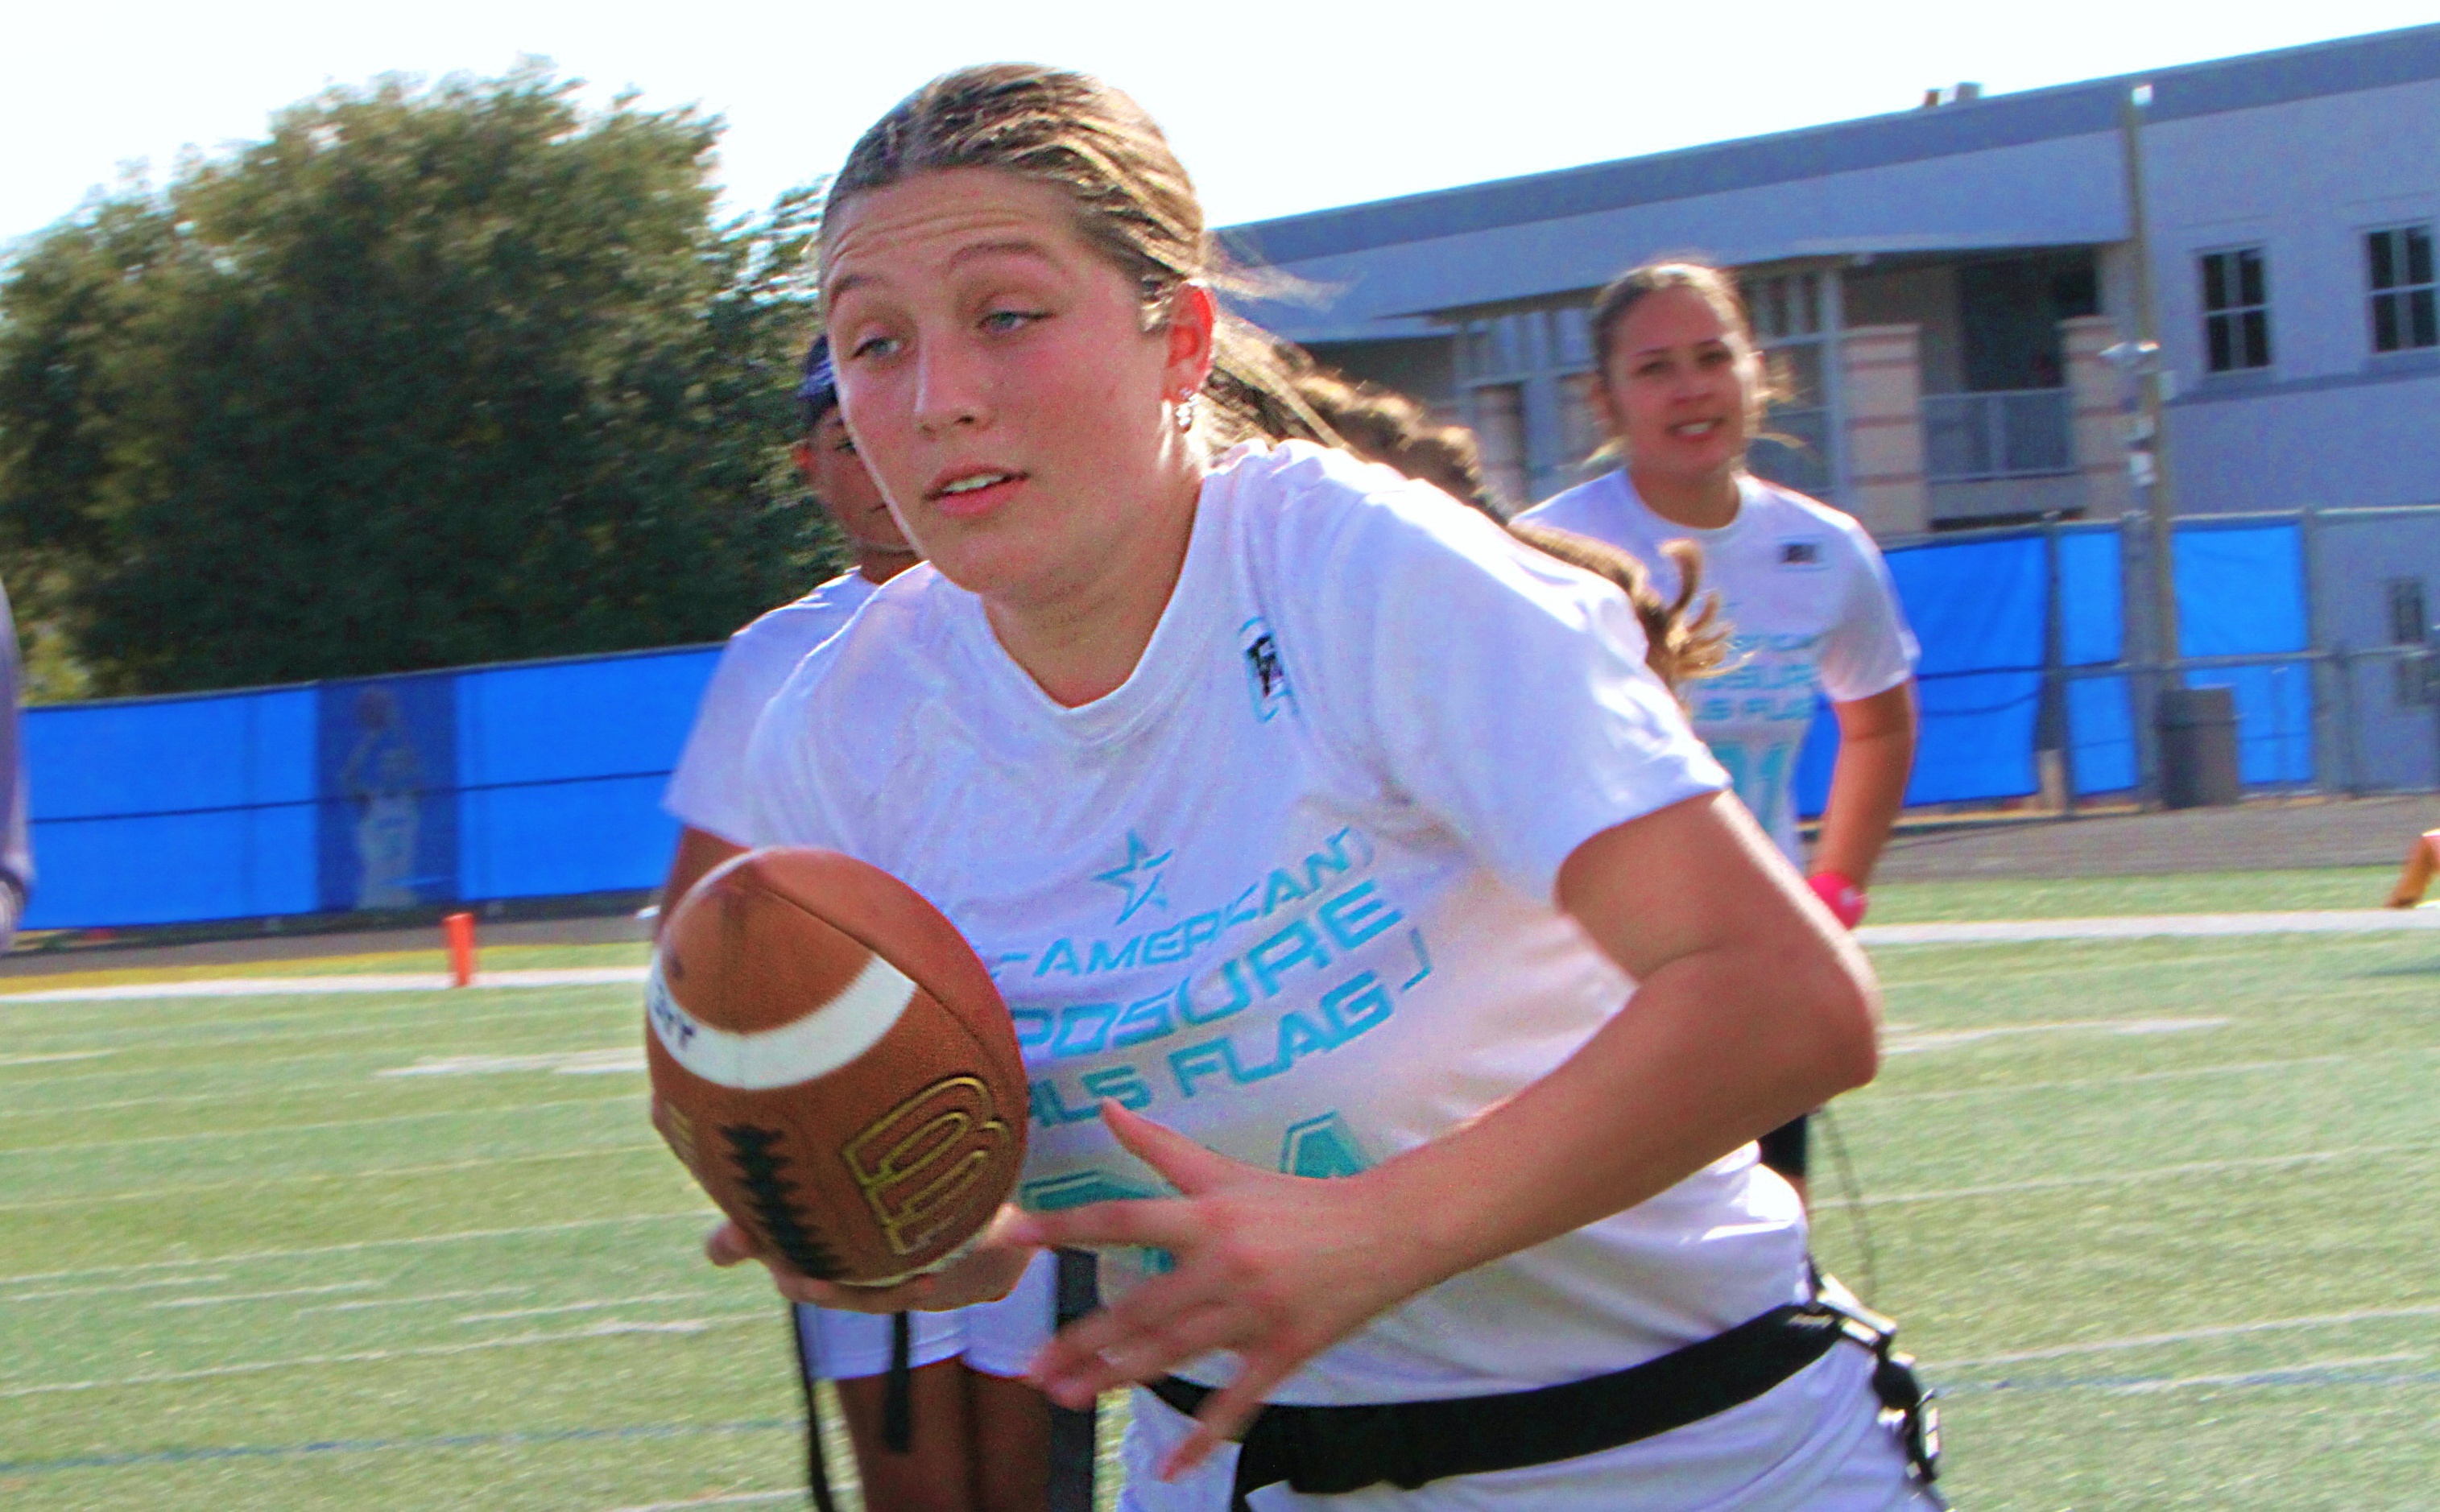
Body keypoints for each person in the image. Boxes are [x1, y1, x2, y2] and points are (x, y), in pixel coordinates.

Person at [718, 64, 1938, 1511]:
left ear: (1180, 339)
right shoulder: (842, 727)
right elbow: (1009, 1188)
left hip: (1689, 1459)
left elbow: (1786, 1000)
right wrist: (942, 1227)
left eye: (1008, 316)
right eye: (875, 343)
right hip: (1239, 1473)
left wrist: (1385, 1230)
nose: (937, 400)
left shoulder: (1362, 575)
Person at [659, 336, 1053, 1512]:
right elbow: (702, 919)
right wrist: (735, 1108)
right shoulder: (778, 653)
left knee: (1031, 1468)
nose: (879, 462)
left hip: (1024, 1089)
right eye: (844, 440)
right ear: (812, 465)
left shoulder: (1039, 606)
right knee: (913, 1476)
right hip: (851, 1096)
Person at [1518, 262, 1921, 1202]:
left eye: (1713, 357)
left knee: (1763, 1239)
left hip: (1748, 979)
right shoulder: (1538, 549)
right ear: (1604, 399)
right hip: (1584, 983)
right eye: (1655, 368)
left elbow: (1881, 724)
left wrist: (1835, 895)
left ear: (1757, 373)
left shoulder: (1825, 547)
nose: (1692, 387)